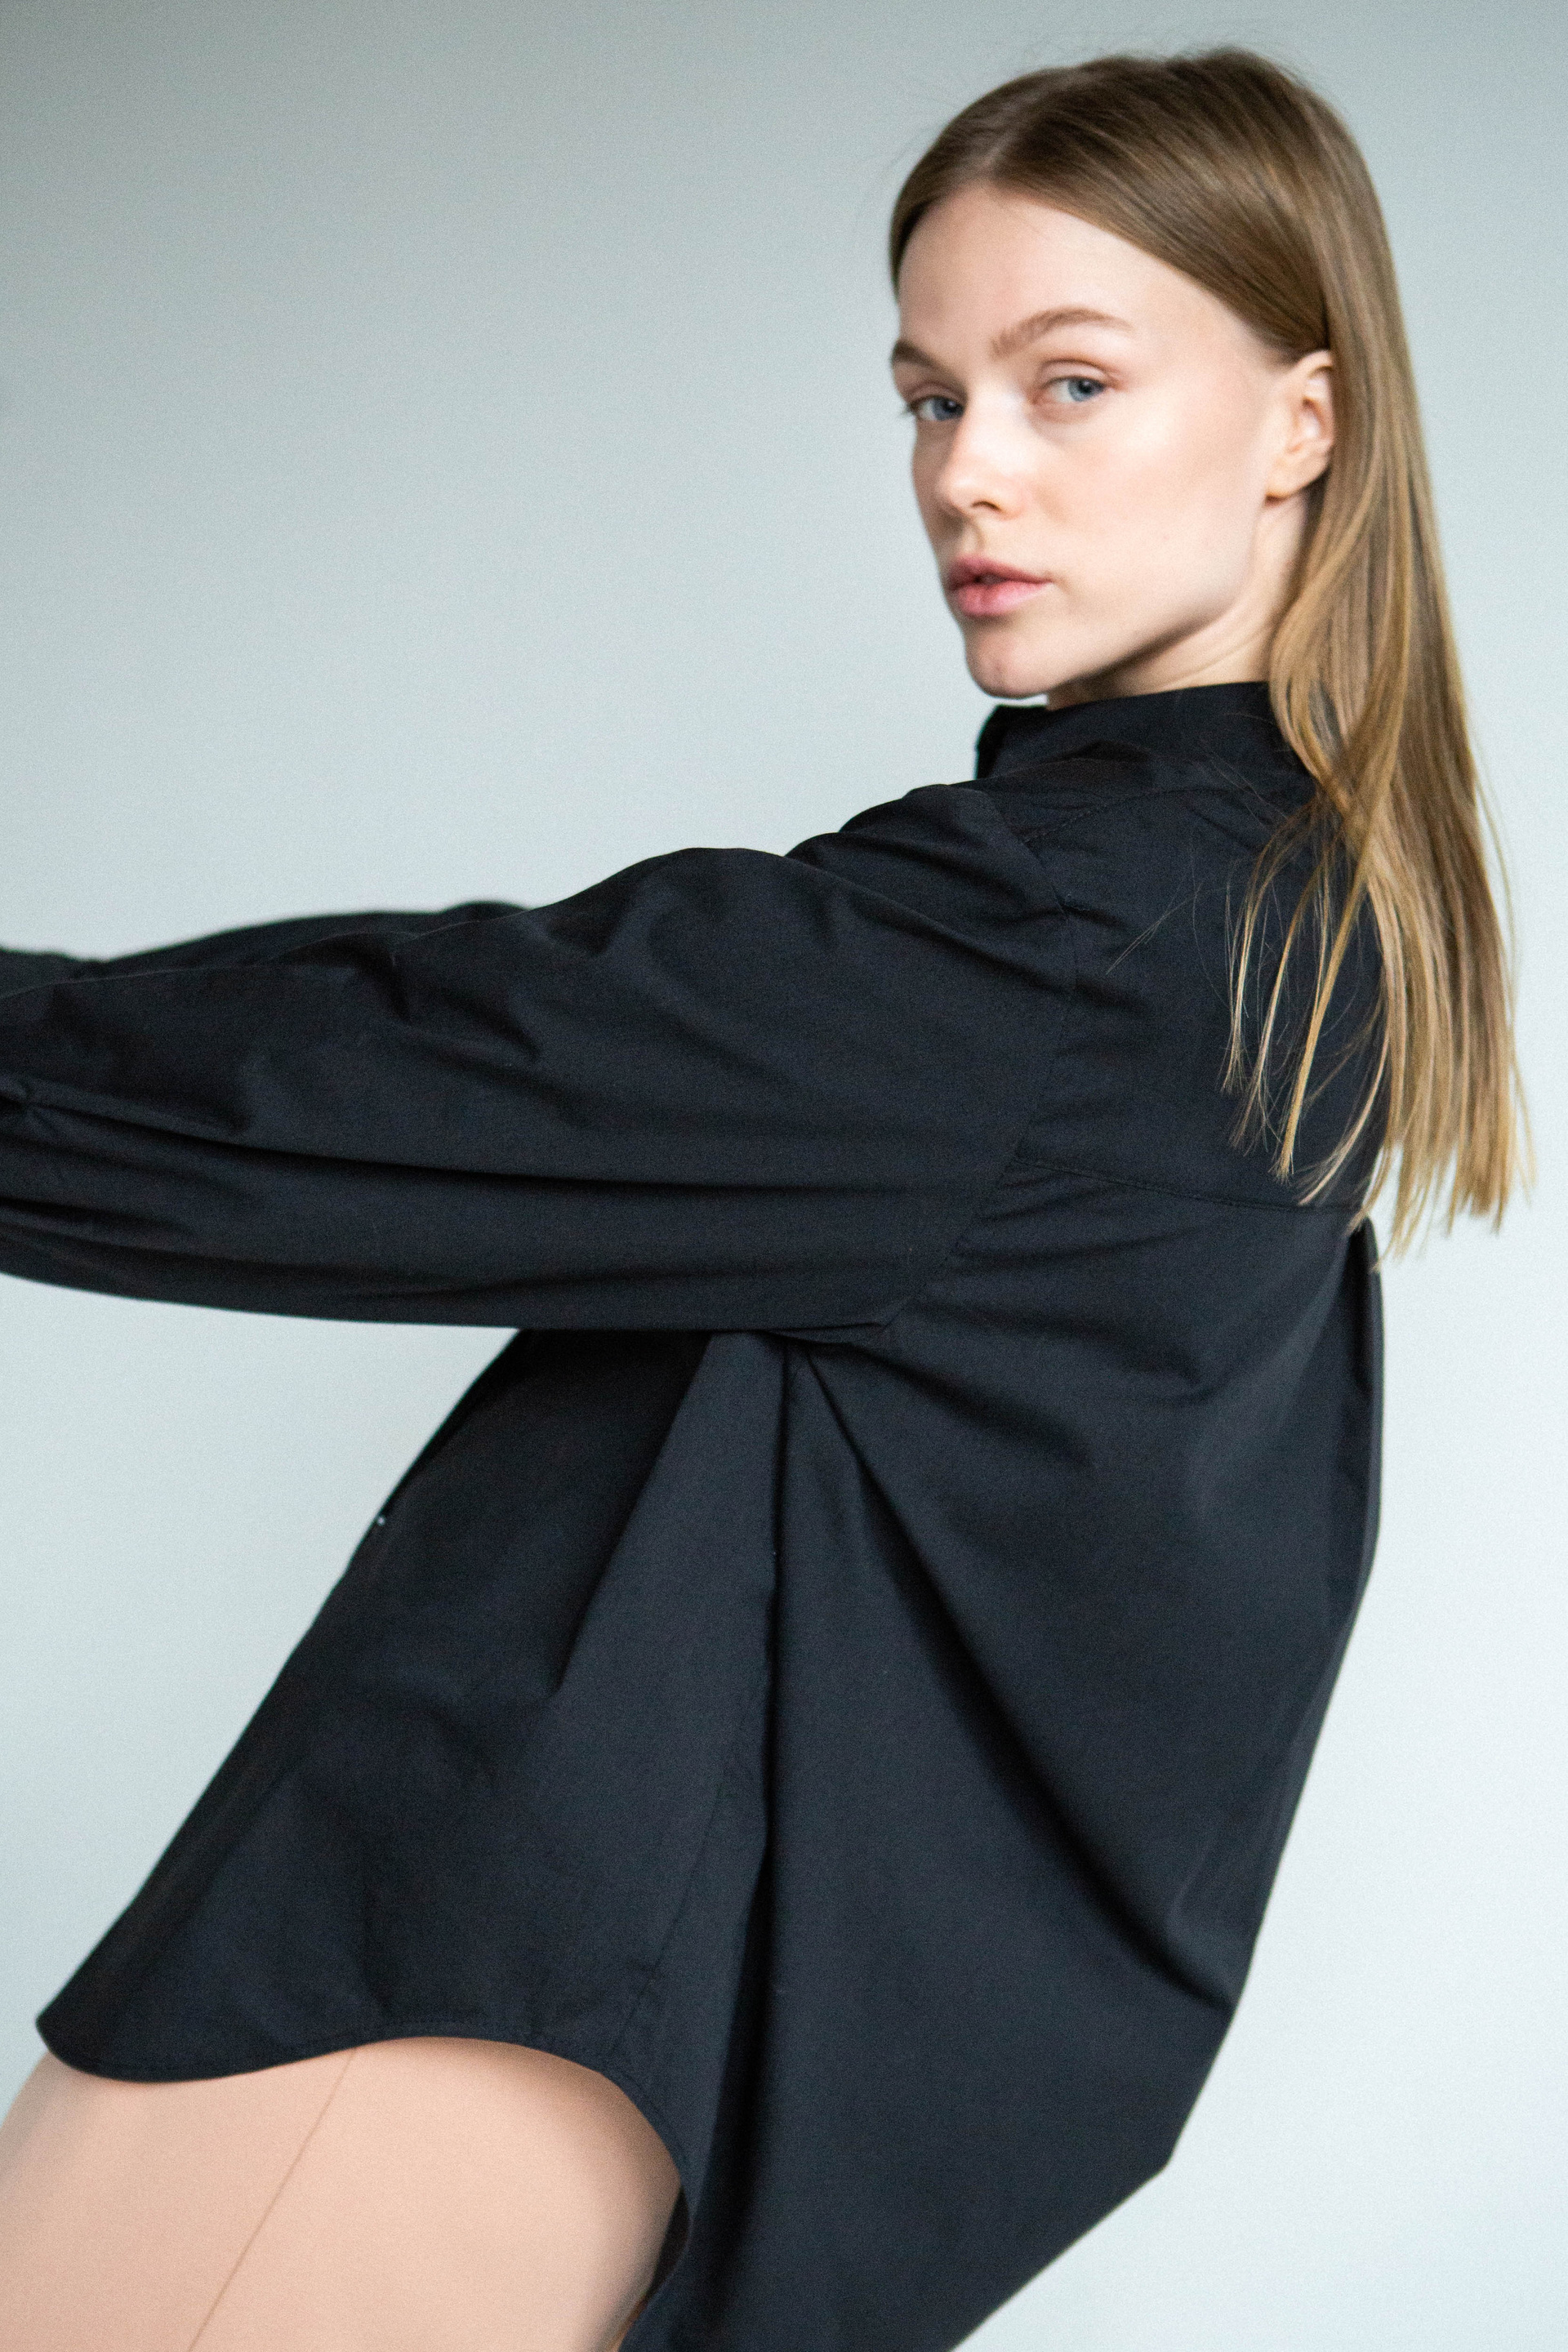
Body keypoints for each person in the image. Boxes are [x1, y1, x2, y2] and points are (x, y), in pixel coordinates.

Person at [0, 44, 1523, 2352]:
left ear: (1302, 422)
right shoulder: (1284, 931)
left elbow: (384, 1070)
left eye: (1070, 383)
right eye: (929, 398)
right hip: (574, 2045)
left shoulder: (1063, 947)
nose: (966, 471)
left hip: (439, 2017)